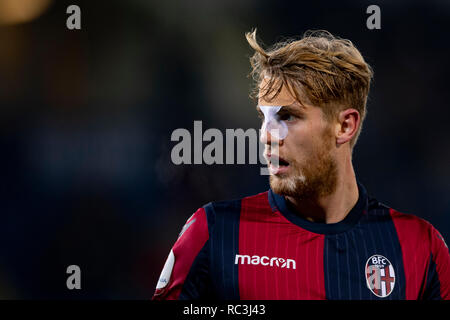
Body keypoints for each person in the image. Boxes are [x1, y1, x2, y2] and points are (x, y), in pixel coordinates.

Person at [152, 29, 450, 300]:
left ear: (345, 126)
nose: (267, 135)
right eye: (263, 117)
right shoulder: (215, 232)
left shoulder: (419, 247)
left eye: (287, 117)